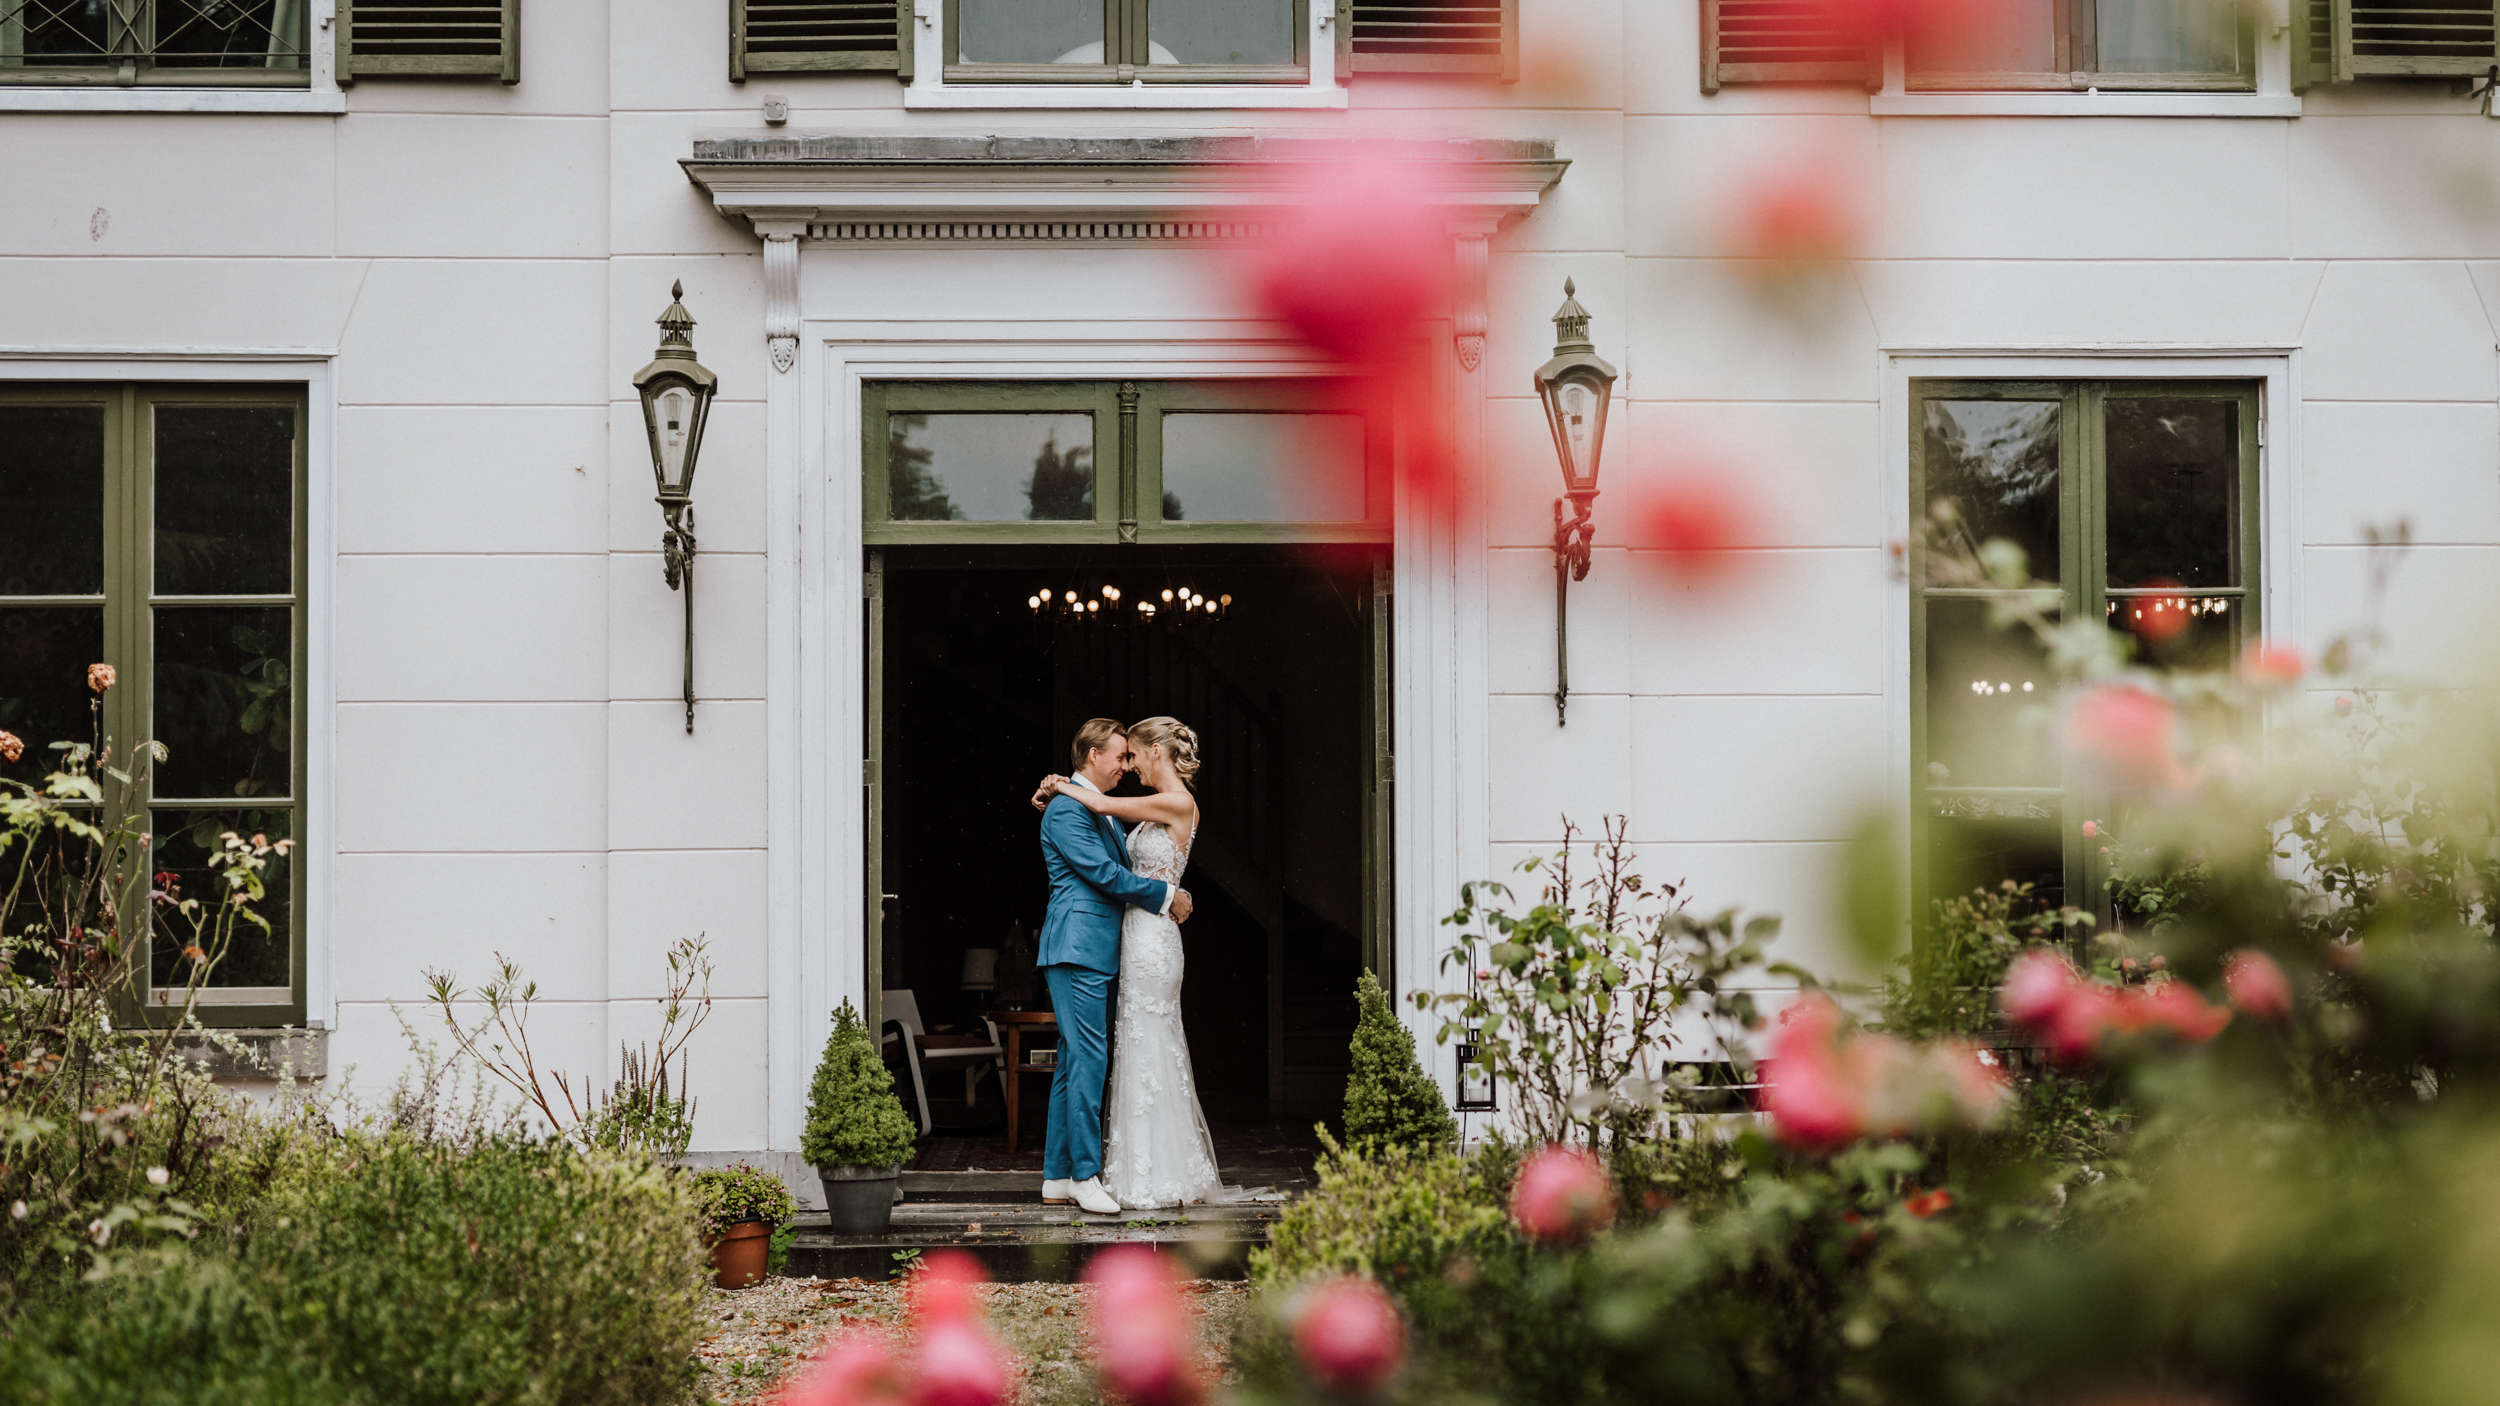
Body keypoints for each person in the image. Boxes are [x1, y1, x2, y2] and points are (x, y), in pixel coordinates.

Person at [1033, 716, 1227, 1209]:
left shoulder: (1110, 807)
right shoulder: (1069, 811)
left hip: (1124, 944)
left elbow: (1113, 842)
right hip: (1080, 944)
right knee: (1088, 1055)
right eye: (1119, 756)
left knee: (1078, 1056)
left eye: (1131, 755)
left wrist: (1061, 784)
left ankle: (1060, 1174)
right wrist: (1168, 894)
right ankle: (1081, 1176)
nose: (1126, 765)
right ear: (1093, 755)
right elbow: (1103, 873)